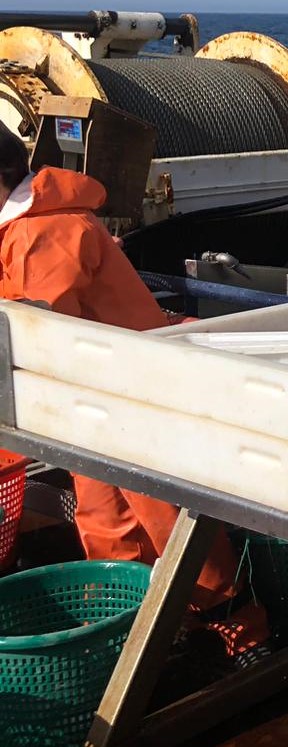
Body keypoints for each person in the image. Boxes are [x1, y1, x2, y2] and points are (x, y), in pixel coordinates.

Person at [0, 128, 270, 666]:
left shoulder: (44, 230)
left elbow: (40, 326)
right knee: (104, 517)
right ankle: (135, 626)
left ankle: (239, 630)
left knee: (163, 514)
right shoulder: (26, 225)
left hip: (128, 393)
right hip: (85, 402)